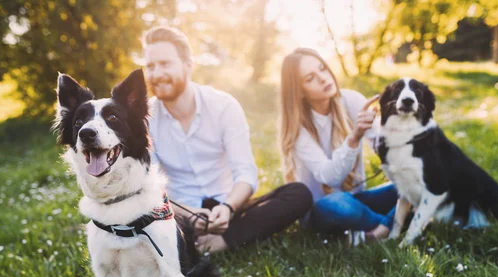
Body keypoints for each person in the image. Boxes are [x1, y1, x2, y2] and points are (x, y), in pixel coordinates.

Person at [143, 27, 312, 253]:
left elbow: (246, 174)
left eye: (165, 64)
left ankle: (224, 240)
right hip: (179, 214)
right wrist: (190, 216)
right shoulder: (145, 118)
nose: (156, 74)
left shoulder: (224, 106)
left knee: (298, 194)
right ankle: (199, 241)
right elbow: (150, 188)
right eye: (150, 67)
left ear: (188, 65)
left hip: (230, 208)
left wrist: (229, 207)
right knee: (142, 217)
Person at [278, 48, 398, 243]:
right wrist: (354, 137)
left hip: (356, 199)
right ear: (298, 92)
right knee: (340, 205)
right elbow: (330, 178)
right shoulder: (298, 127)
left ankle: (375, 230)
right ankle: (393, 224)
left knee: (417, 184)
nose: (324, 79)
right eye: (310, 78)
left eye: (323, 69)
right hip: (322, 209)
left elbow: (383, 146)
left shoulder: (352, 100)